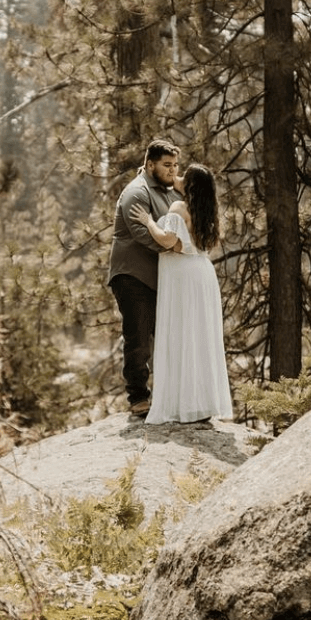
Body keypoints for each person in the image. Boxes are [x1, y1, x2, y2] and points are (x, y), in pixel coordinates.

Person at [138, 163, 233, 425]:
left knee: (182, 336)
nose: (177, 178)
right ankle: (200, 404)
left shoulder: (179, 208)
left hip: (184, 279)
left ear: (189, 185)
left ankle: (183, 405)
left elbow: (168, 241)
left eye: (183, 176)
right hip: (202, 275)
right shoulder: (206, 211)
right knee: (199, 339)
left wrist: (147, 222)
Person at [107, 138, 181, 416]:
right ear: (150, 164)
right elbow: (141, 234)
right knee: (138, 337)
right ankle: (138, 397)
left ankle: (167, 395)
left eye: (175, 165)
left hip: (159, 277)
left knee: (165, 336)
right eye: (167, 165)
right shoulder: (136, 193)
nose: (172, 170)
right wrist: (174, 245)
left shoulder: (169, 191)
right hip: (132, 275)